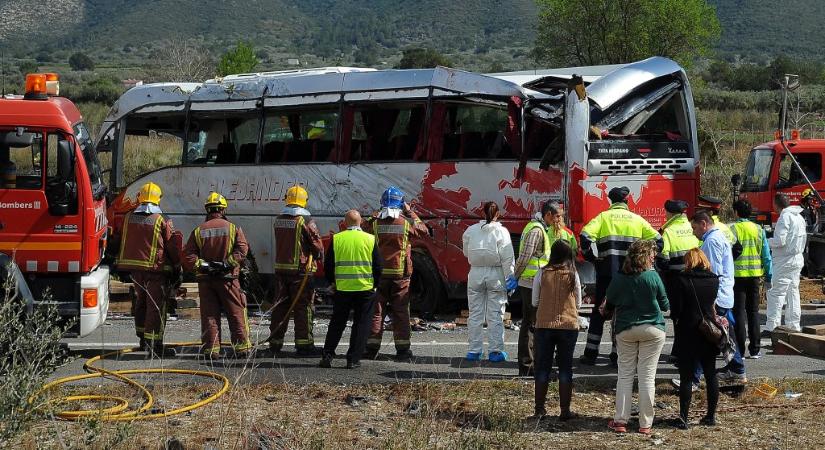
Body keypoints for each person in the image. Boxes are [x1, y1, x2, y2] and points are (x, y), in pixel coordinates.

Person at [579, 186, 662, 367]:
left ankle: (591, 353)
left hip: (607, 273)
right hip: (632, 275)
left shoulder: (603, 218)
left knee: (599, 311)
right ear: (627, 201)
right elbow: (659, 240)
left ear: (611, 201)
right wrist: (647, 261)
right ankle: (617, 355)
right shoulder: (637, 220)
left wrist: (592, 258)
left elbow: (584, 236)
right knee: (624, 312)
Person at [603, 239, 669, 435]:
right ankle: (645, 423)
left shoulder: (619, 277)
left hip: (626, 328)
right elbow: (665, 305)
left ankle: (620, 421)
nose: (654, 257)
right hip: (653, 329)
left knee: (625, 375)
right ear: (647, 257)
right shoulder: (653, 277)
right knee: (647, 377)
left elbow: (609, 303)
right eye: (652, 255)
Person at [115, 182, 183, 358]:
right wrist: (177, 267)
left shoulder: (129, 217)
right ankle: (154, 346)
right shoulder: (161, 219)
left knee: (141, 303)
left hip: (136, 270)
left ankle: (143, 340)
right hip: (156, 271)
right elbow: (172, 246)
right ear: (157, 199)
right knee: (156, 306)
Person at [183, 192, 252, 359]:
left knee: (210, 315)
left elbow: (189, 256)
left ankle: (211, 351)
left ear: (207, 210)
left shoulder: (198, 231)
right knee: (235, 312)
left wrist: (205, 266)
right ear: (223, 209)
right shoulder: (233, 228)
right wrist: (225, 264)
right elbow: (242, 251)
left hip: (206, 280)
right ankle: (241, 349)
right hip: (228, 279)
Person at [363, 186, 429, 361]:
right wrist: (411, 212)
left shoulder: (375, 223)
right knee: (401, 312)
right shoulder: (405, 223)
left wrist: (375, 213)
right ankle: (402, 351)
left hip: (379, 275)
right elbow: (424, 230)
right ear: (401, 204)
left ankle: (371, 348)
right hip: (401, 275)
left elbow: (362, 226)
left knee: (377, 312)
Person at [320, 210, 383, 369]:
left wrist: (333, 282)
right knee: (361, 324)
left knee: (337, 322)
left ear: (345, 223)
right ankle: (353, 359)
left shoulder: (337, 239)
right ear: (360, 222)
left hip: (342, 288)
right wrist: (375, 285)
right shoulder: (370, 239)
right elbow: (378, 266)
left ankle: (327, 354)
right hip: (365, 288)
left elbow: (328, 265)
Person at [267, 185, 324, 356]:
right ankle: (304, 345)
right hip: (301, 273)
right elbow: (317, 246)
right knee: (303, 308)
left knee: (280, 308)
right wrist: (318, 253)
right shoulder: (305, 221)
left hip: (280, 271)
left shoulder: (278, 219)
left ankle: (275, 344)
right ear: (304, 201)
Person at [691, 211, 747, 383]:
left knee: (707, 335)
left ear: (703, 224)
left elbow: (713, 273)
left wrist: (710, 300)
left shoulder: (712, 241)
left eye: (694, 227)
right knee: (723, 335)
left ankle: (693, 379)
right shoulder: (719, 237)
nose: (694, 232)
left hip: (717, 296)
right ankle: (736, 369)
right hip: (724, 294)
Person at [669, 248, 721, 429]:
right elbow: (712, 305)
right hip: (708, 331)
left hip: (687, 331)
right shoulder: (714, 279)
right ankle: (711, 416)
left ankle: (684, 417)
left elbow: (676, 309)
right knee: (710, 373)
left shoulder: (682, 279)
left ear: (689, 261)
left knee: (686, 377)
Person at [532, 240, 581, 420]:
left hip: (544, 325)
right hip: (568, 326)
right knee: (566, 368)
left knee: (542, 368)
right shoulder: (573, 274)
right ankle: (565, 410)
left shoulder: (542, 273)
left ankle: (539, 409)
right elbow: (579, 301)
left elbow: (534, 301)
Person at [461, 201, 515, 362]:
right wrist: (510, 277)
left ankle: (474, 351)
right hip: (496, 274)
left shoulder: (470, 231)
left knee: (475, 314)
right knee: (495, 314)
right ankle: (495, 352)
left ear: (482, 212)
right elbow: (507, 257)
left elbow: (465, 252)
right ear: (498, 214)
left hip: (476, 273)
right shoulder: (502, 232)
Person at [656, 199, 699, 366]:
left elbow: (663, 259)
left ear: (671, 213)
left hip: (677, 280)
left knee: (678, 318)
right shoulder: (692, 227)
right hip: (696, 277)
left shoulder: (668, 232)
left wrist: (666, 273)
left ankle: (678, 352)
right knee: (695, 316)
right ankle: (692, 351)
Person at [513, 201, 554, 376]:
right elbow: (524, 257)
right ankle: (527, 366)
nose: (558, 219)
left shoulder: (537, 228)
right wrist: (515, 276)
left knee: (532, 324)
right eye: (557, 215)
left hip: (533, 281)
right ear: (548, 215)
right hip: (531, 282)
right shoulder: (537, 230)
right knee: (531, 324)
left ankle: (531, 365)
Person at [729, 200, 772, 359]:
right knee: (753, 312)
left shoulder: (732, 229)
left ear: (736, 213)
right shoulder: (758, 229)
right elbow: (766, 255)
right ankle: (755, 349)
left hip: (737, 276)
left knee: (738, 312)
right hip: (755, 276)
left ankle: (739, 350)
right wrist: (769, 274)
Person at [764, 193, 808, 333]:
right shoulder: (799, 217)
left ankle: (772, 327)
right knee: (792, 293)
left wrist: (765, 242)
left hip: (784, 260)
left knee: (776, 293)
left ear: (776, 204)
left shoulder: (784, 217)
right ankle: (793, 325)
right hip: (797, 258)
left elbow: (779, 241)